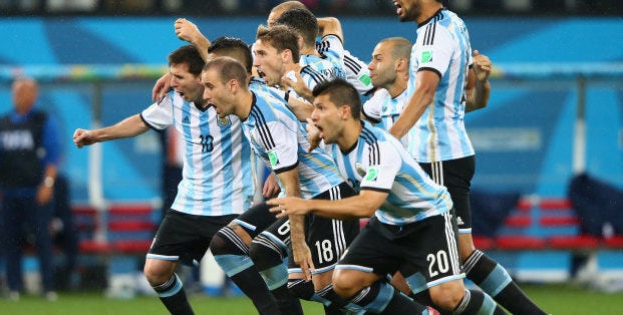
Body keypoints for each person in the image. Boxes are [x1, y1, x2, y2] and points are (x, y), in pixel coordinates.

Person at [267, 79, 507, 314]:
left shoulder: (376, 146)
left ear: (344, 112)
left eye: (321, 109)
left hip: (428, 220)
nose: (315, 116)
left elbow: (367, 205)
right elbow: (306, 117)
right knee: (344, 281)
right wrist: (295, 96)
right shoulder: (335, 143)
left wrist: (305, 206)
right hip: (391, 224)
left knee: (448, 297)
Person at [73, 44, 256, 315]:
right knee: (156, 271)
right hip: (189, 203)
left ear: (201, 77)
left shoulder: (233, 100)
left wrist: (196, 37)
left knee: (257, 273)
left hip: (230, 204)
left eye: (179, 77)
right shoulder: (174, 102)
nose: (172, 82)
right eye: (170, 75)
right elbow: (138, 122)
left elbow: (240, 66)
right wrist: (95, 135)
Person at [390, 1, 546, 314]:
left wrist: (388, 142)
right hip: (446, 155)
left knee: (432, 262)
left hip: (436, 158)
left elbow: (425, 92)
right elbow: (469, 92)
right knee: (412, 264)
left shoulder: (434, 35)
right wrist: (483, 81)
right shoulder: (454, 24)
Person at [203, 57, 360, 314]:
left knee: (333, 288)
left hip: (328, 193)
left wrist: (298, 242)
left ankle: (400, 305)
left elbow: (293, 184)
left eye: (210, 87)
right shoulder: (254, 103)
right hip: (309, 197)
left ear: (232, 85)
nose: (206, 95)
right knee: (301, 284)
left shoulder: (267, 120)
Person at [0, 77, 60, 301]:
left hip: (35, 192)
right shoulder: (2, 123)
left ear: (34, 95)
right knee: (10, 241)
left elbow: (53, 155)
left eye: (23, 91)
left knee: (42, 240)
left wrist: (47, 184)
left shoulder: (42, 121)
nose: (18, 95)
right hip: (9, 192)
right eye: (15, 91)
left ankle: (48, 286)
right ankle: (14, 286)